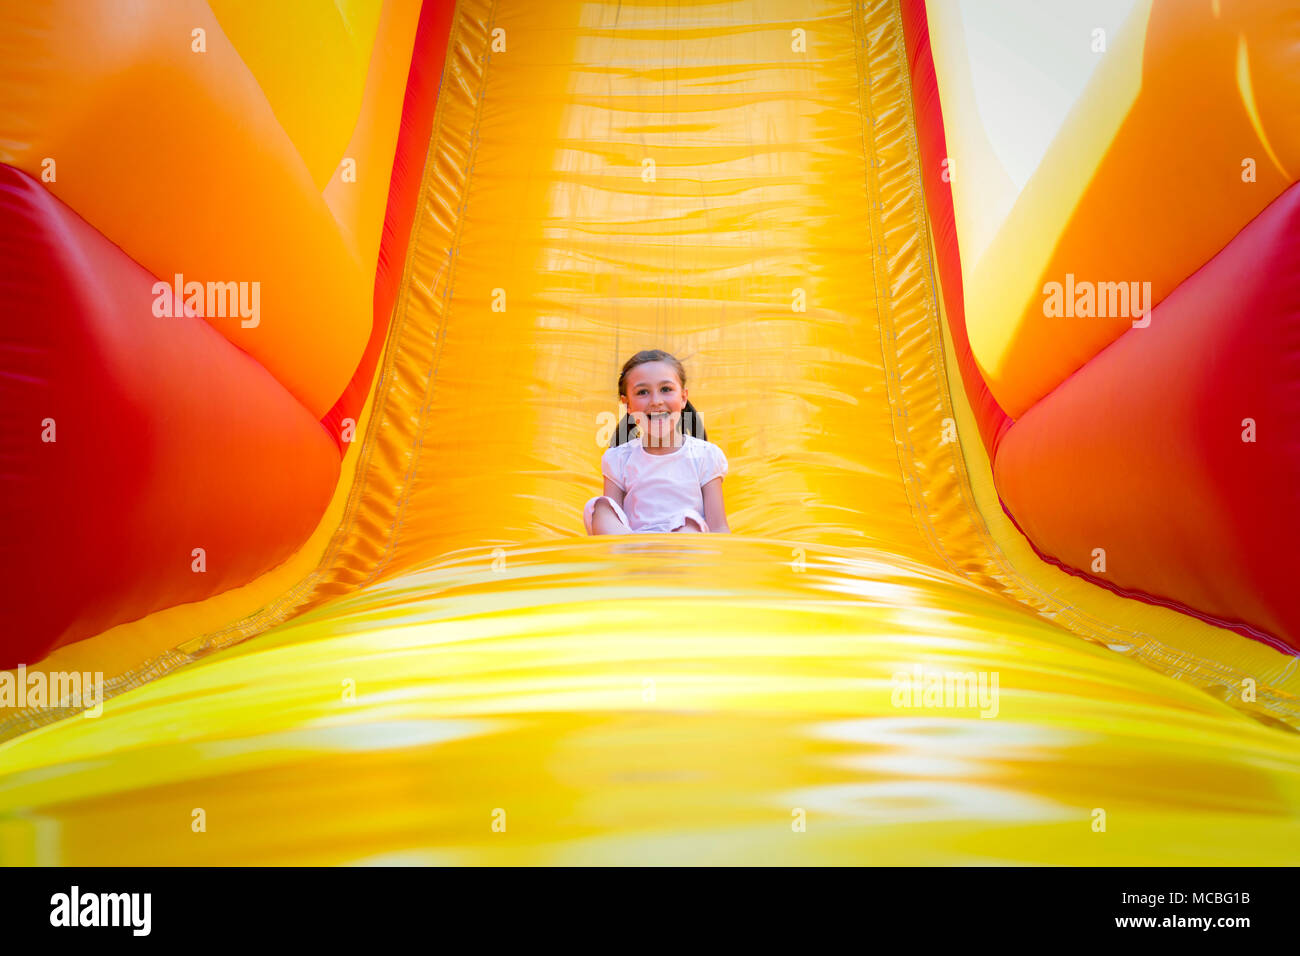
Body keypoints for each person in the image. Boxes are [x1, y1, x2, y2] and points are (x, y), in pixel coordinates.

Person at [584, 349, 730, 535]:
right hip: (635, 546)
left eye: (666, 389)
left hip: (684, 550)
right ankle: (633, 554)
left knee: (690, 524)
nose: (656, 401)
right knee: (600, 506)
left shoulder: (705, 455)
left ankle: (668, 557)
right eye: (643, 392)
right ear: (627, 404)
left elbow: (719, 527)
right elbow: (615, 516)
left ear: (683, 397)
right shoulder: (619, 458)